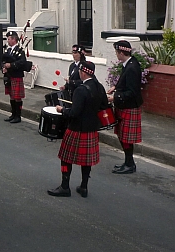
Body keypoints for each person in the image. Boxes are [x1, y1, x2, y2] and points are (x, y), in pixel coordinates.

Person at [48, 60, 105, 197]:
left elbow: (74, 113)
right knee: (87, 161)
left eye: (80, 71)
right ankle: (84, 187)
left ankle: (65, 186)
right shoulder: (99, 87)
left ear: (83, 72)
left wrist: (62, 109)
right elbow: (103, 106)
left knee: (65, 158)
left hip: (77, 128)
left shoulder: (81, 90)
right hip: (91, 129)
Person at [107, 40, 143, 174]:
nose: (116, 55)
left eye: (117, 52)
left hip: (129, 106)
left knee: (125, 137)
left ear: (121, 53)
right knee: (122, 136)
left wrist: (115, 97)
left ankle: (130, 164)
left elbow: (133, 92)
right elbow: (126, 82)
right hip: (124, 106)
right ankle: (128, 162)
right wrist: (115, 87)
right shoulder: (128, 64)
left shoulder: (132, 67)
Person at [2, 31, 28, 123]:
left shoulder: (20, 50)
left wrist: (11, 65)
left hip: (16, 76)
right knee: (11, 96)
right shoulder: (8, 50)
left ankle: (18, 116)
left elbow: (22, 63)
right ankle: (13, 114)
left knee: (17, 97)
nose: (8, 41)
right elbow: (3, 62)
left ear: (14, 39)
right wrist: (4, 68)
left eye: (9, 39)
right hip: (9, 76)